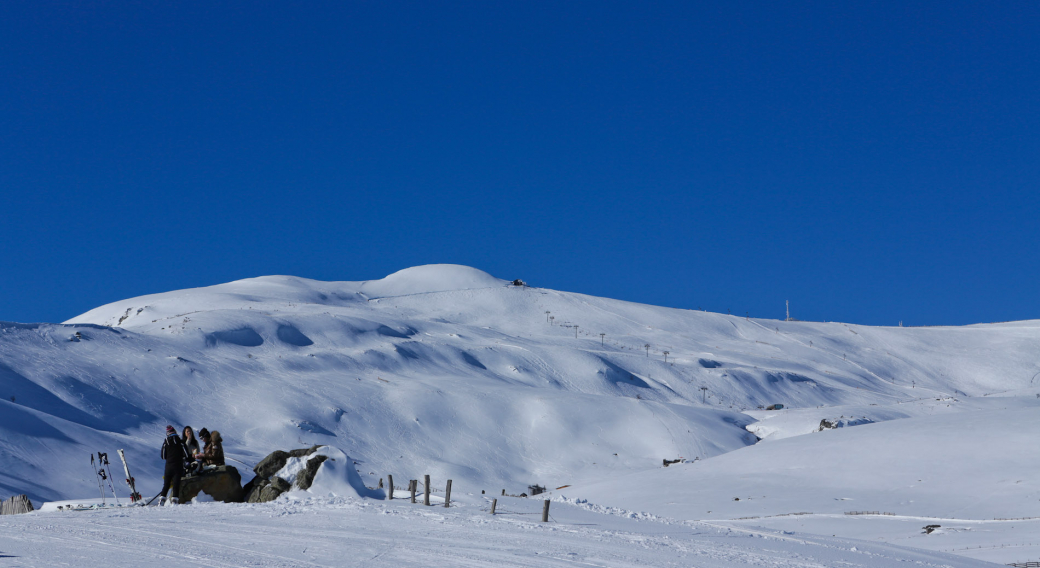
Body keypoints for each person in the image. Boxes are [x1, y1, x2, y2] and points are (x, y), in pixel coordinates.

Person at [159, 425, 189, 505]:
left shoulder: (166, 442)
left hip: (168, 466)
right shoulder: (180, 441)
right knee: (176, 484)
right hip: (178, 465)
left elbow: (163, 456)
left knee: (166, 484)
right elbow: (186, 454)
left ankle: (162, 500)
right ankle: (174, 501)